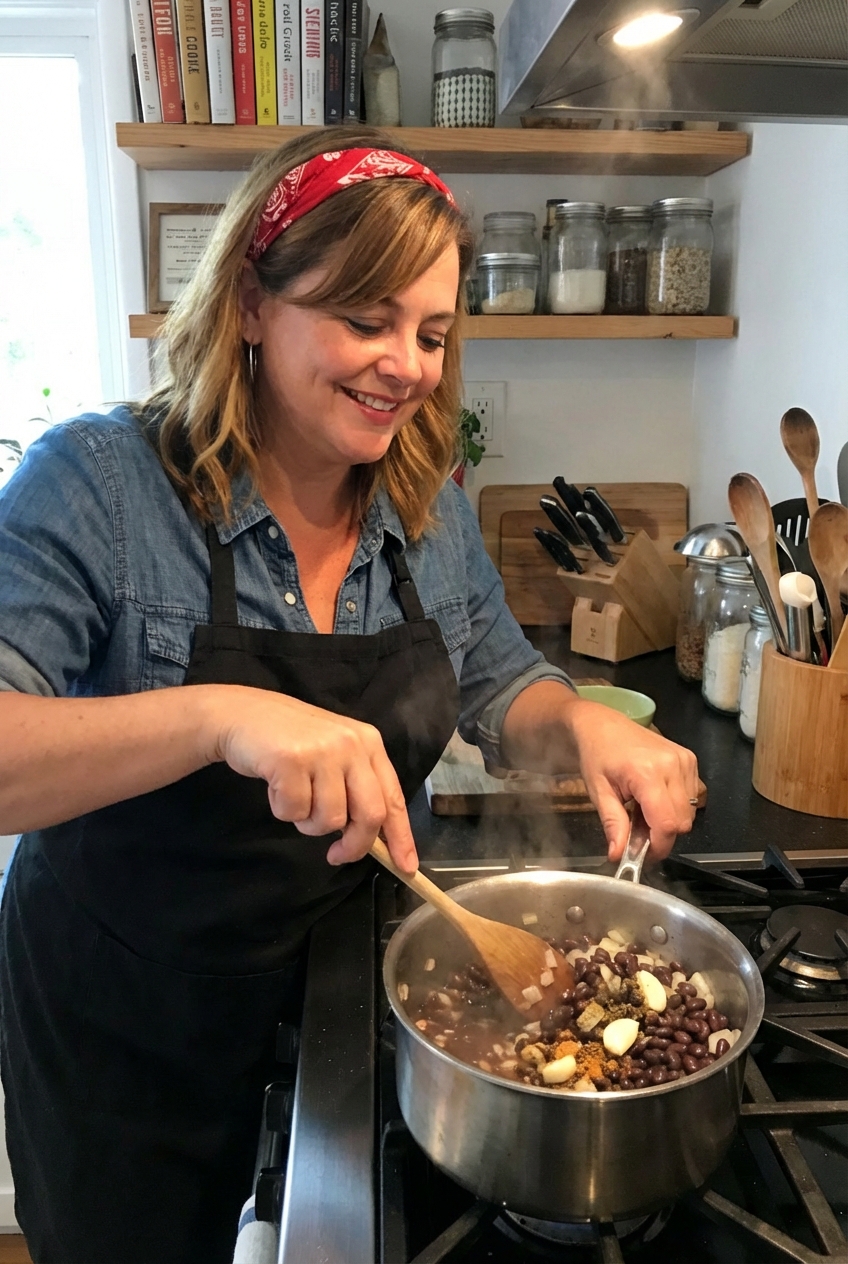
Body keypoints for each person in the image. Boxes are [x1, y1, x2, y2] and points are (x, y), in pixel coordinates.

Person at [0, 126, 700, 1264]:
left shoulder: (425, 506)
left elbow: (497, 678)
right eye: (365, 320)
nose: (407, 366)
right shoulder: (101, 486)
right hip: (124, 1017)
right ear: (248, 304)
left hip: (343, 998)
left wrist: (572, 721)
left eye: (430, 333)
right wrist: (222, 716)